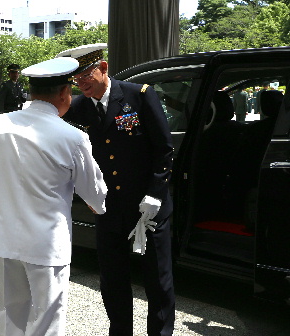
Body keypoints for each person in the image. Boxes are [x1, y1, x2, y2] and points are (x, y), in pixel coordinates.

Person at [0, 57, 108, 336]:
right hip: (47, 242)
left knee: (10, 309)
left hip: (5, 237)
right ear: (63, 93)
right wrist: (100, 206)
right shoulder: (72, 137)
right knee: (47, 314)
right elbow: (94, 191)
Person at [57, 43, 175, 336]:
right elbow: (49, 108)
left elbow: (164, 150)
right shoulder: (81, 106)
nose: (82, 83)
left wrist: (155, 194)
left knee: (157, 279)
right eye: (76, 79)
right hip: (109, 209)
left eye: (86, 74)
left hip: (147, 207)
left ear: (104, 68)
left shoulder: (139, 96)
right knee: (112, 279)